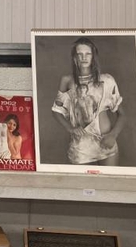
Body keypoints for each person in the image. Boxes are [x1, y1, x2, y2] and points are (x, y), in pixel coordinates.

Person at [52, 36, 126, 166]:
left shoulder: (107, 80)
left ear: (93, 56)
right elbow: (56, 111)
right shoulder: (67, 80)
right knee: (83, 179)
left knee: (109, 179)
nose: (84, 57)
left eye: (88, 54)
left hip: (106, 141)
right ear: (74, 57)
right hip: (81, 145)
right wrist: (70, 128)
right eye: (79, 54)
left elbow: (122, 114)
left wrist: (113, 135)